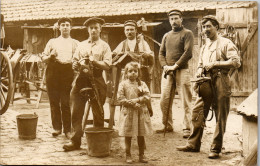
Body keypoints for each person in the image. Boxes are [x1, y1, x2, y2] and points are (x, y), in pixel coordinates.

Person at [176, 15, 241, 159]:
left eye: (209, 26)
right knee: (197, 111)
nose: (206, 30)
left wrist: (216, 63)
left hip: (221, 81)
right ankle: (193, 144)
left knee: (220, 116)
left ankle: (215, 148)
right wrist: (199, 70)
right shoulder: (205, 46)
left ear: (216, 27)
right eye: (204, 27)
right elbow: (200, 63)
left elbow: (236, 62)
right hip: (205, 82)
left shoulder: (226, 43)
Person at [63, 17, 112, 151]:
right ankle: (75, 140)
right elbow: (74, 60)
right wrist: (75, 64)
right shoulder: (81, 44)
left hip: (96, 79)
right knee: (76, 109)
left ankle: (98, 142)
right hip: (81, 78)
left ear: (100, 29)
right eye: (91, 28)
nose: (94, 30)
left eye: (96, 27)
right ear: (87, 30)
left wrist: (94, 62)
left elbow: (107, 65)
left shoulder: (104, 46)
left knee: (98, 110)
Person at [157, 9, 194, 138]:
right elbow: (161, 53)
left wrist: (175, 66)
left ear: (181, 19)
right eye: (171, 19)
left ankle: (187, 127)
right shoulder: (166, 35)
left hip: (182, 70)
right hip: (168, 71)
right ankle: (167, 125)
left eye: (176, 18)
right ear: (169, 21)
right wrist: (165, 66)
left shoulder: (187, 33)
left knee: (185, 100)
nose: (174, 21)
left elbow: (188, 53)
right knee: (164, 100)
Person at [41, 17, 79, 138]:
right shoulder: (52, 42)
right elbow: (43, 58)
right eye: (63, 25)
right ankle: (57, 128)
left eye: (67, 25)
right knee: (54, 102)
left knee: (66, 102)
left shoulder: (75, 43)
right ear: (59, 27)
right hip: (53, 72)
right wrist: (50, 56)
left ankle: (67, 130)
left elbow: (78, 60)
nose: (65, 27)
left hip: (67, 73)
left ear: (71, 27)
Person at [113, 20, 154, 117]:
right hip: (127, 75)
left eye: (131, 30)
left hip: (140, 75)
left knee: (141, 94)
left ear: (136, 30)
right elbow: (113, 55)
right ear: (124, 31)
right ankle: (126, 117)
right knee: (126, 94)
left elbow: (151, 56)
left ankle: (144, 118)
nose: (129, 32)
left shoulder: (143, 43)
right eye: (127, 30)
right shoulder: (122, 44)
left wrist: (145, 55)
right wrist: (118, 55)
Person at [117, 62, 153, 163]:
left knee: (141, 134)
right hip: (128, 112)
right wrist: (131, 104)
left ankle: (142, 155)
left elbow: (147, 96)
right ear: (126, 73)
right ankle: (128, 154)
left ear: (138, 73)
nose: (133, 73)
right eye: (130, 71)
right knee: (128, 134)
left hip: (140, 112)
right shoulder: (123, 84)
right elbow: (120, 98)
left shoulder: (142, 84)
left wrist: (138, 100)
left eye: (135, 71)